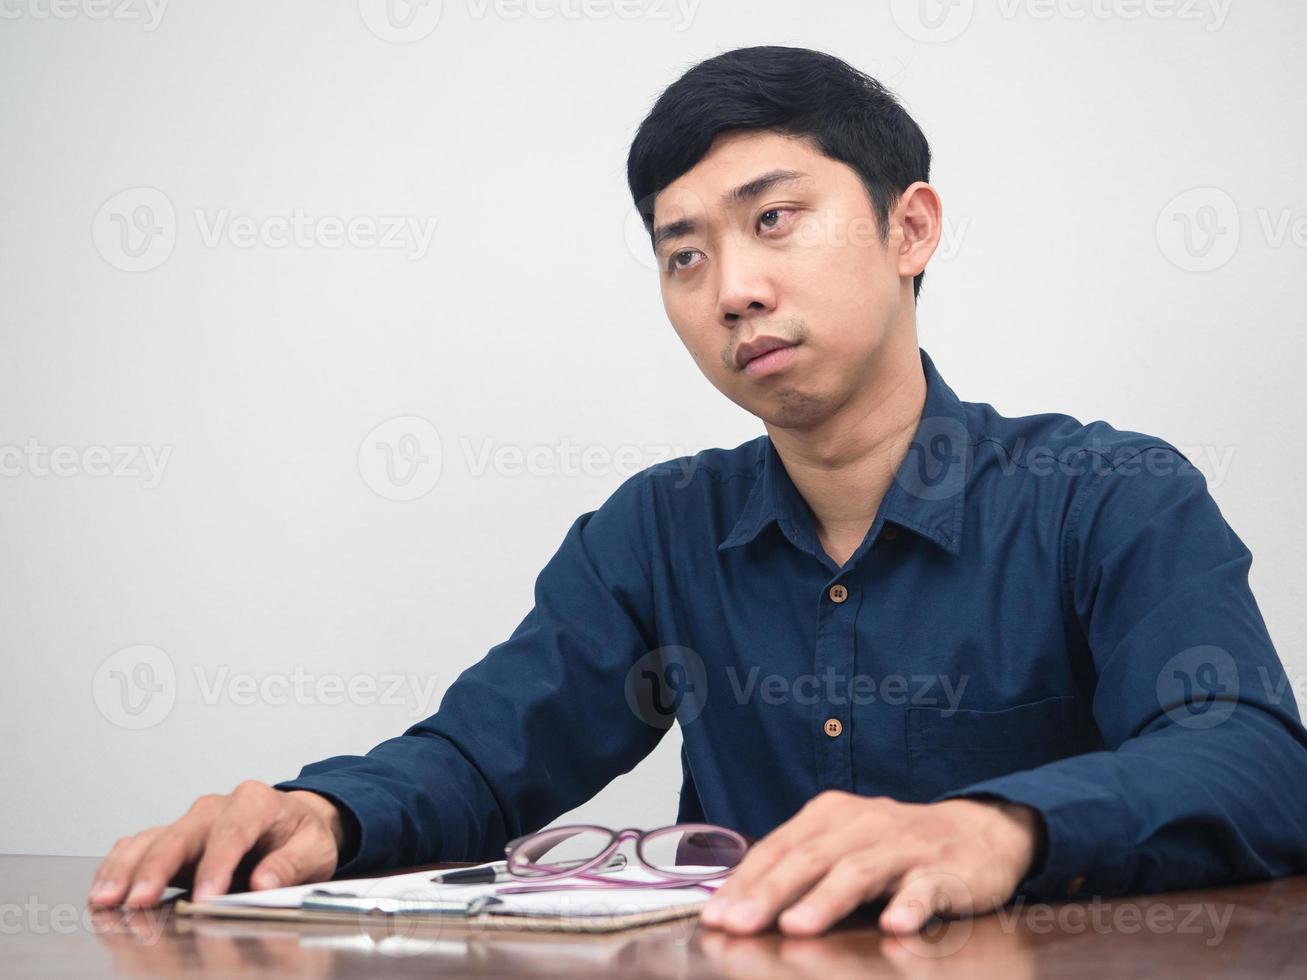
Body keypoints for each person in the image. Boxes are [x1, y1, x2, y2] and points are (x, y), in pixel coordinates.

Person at [87, 45, 1307, 937]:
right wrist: (325, 815)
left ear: (909, 229)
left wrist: (991, 827)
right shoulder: (657, 531)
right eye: (683, 254)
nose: (730, 289)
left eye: (773, 219)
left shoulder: (1104, 494)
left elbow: (1252, 757)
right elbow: (482, 759)